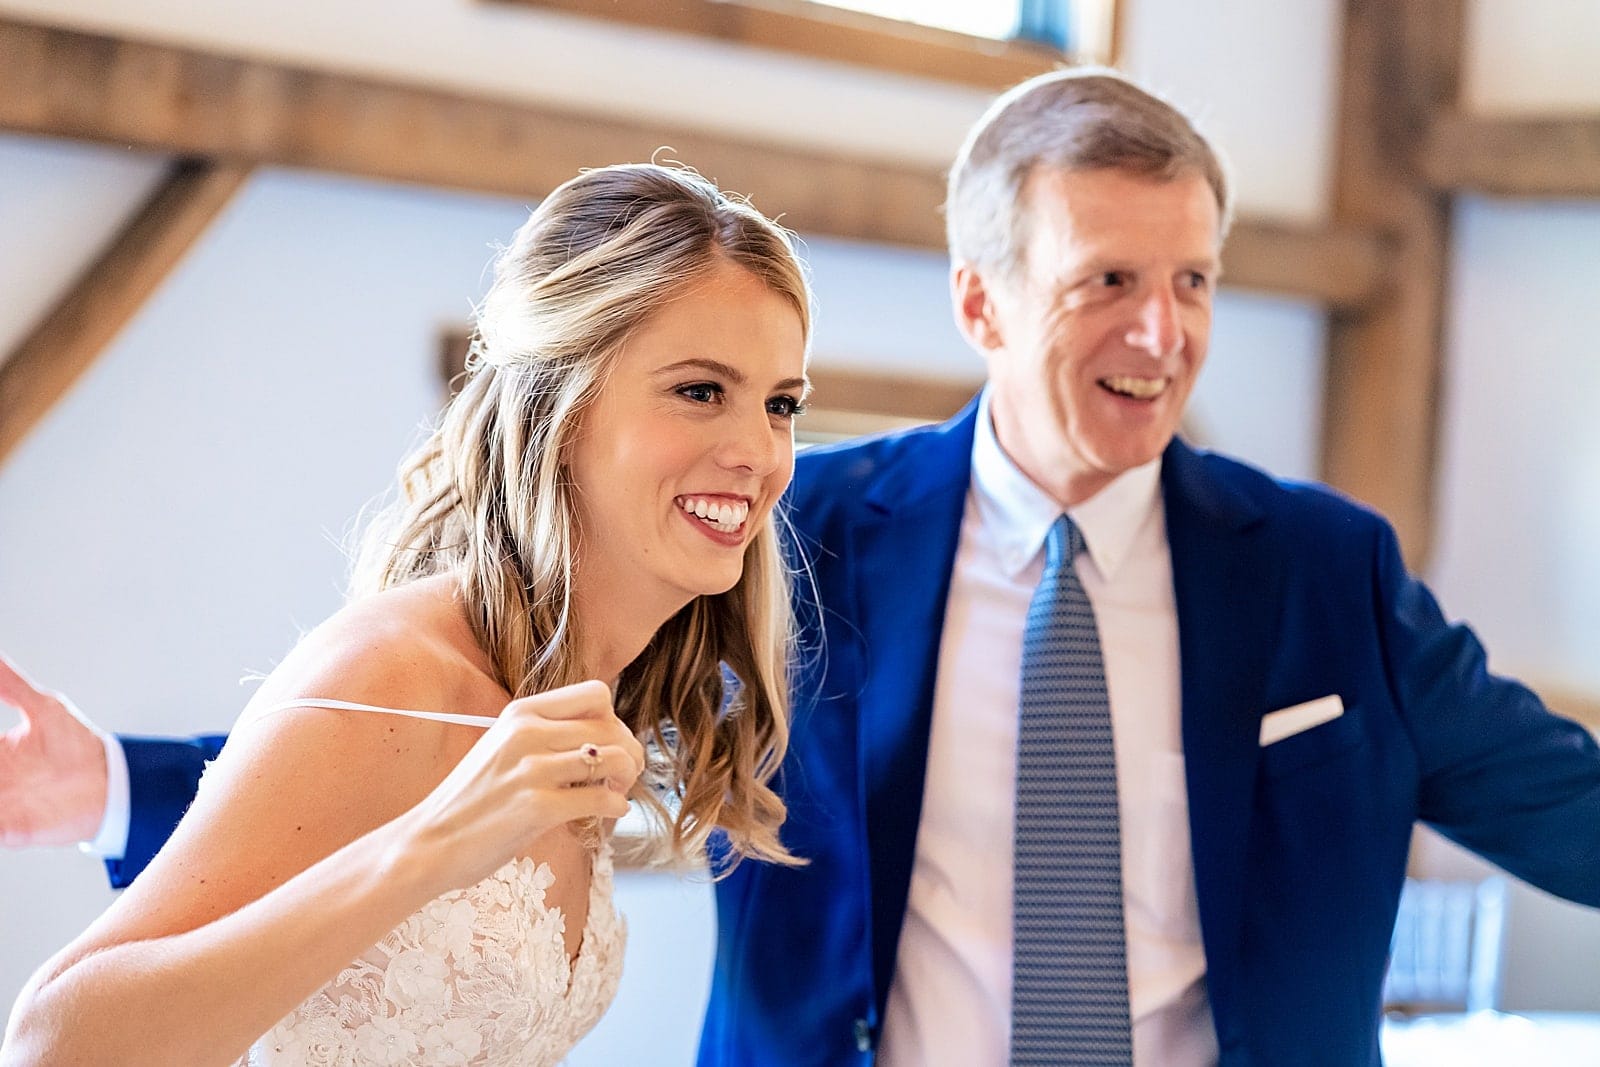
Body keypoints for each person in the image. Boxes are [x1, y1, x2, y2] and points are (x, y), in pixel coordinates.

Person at [5, 69, 1600, 1067]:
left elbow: (1557, 796)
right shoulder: (787, 530)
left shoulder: (1324, 567)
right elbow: (445, 738)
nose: (1162, 330)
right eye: (1109, 277)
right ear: (980, 302)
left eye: (1194, 280)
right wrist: (121, 786)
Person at [1, 161, 811, 1067]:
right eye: (701, 391)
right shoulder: (394, 669)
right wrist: (437, 841)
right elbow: (50, 1045)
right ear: (561, 403)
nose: (758, 451)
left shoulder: (587, 693)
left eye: (781, 404)